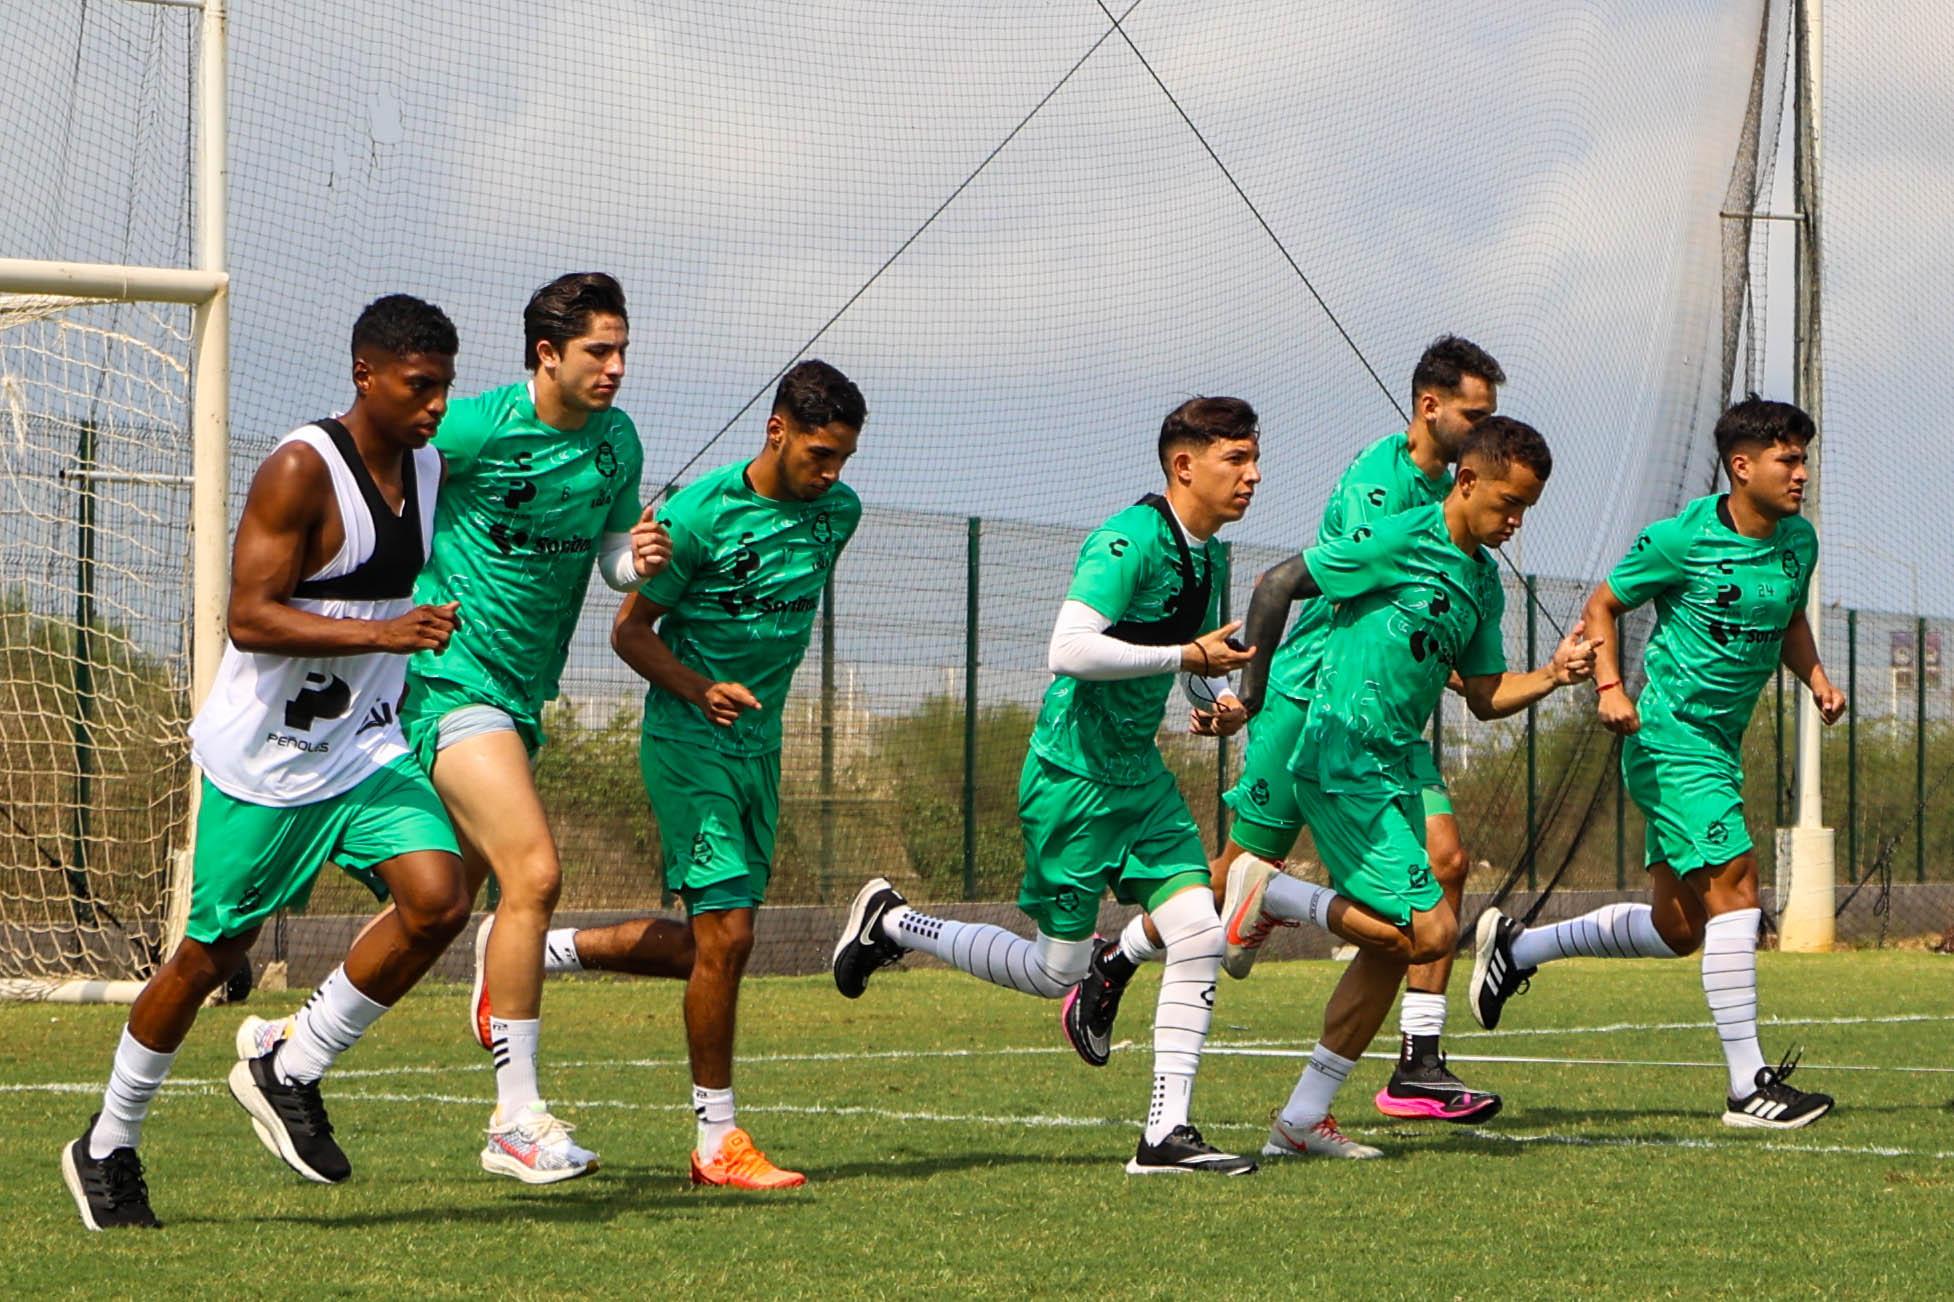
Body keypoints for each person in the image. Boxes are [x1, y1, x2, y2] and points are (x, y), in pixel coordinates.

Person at [62, 295, 472, 1229]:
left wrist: (627, 540)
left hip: (363, 750)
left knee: (441, 900)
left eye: (444, 388)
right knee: (211, 957)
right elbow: (249, 616)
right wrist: (389, 628)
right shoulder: (300, 469)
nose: (435, 406)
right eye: (420, 386)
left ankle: (290, 1063)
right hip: (265, 766)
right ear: (365, 374)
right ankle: (108, 1143)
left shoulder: (432, 467)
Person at [1069, 336, 1509, 1127]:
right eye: (1475, 416)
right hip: (1317, 698)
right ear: (1430, 407)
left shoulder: (1459, 492)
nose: (1483, 431)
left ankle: (1418, 1057)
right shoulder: (1384, 484)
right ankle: (1118, 959)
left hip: (1387, 715)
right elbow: (1344, 590)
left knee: (1446, 862)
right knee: (1235, 870)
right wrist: (1252, 690)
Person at [834, 397, 1261, 1176]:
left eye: (1255, 458)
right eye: (1237, 459)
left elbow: (1174, 652)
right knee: (1054, 971)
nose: (1254, 475)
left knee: (1199, 927)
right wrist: (1187, 662)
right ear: (1184, 465)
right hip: (1073, 779)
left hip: (1141, 779)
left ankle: (1165, 1135)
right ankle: (893, 924)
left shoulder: (1204, 554)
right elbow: (1068, 649)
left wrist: (1211, 705)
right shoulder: (1128, 539)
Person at [1223, 416, 1595, 1158]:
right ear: (1466, 482)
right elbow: (1278, 584)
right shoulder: (1400, 537)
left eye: (1527, 510)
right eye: (1507, 505)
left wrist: (1553, 676)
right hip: (1339, 757)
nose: (1515, 523)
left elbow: (1484, 695)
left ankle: (1302, 1121)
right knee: (1430, 930)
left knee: (1397, 944)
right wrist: (1254, 691)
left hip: (1391, 769)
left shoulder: (1483, 583)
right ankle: (1272, 894)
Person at [1469, 396, 1842, 1130]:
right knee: (1737, 885)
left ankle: (1519, 947)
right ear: (1742, 466)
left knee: (1681, 929)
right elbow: (1604, 605)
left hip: (1718, 745)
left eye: (1803, 458)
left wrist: (1819, 679)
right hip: (1671, 738)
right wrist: (1609, 686)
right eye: (1787, 459)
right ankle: (1748, 1088)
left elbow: (1790, 617)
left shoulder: (1799, 542)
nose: (1800, 473)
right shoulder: (1681, 539)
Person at [610, 359, 866, 1189]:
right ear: (776, 429)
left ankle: (543, 951)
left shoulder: (840, 514)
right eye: (819, 454)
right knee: (730, 936)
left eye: (843, 460)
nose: (831, 474)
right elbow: (629, 631)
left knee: (712, 946)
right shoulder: (698, 519)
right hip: (689, 740)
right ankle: (717, 1141)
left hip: (762, 748)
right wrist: (698, 687)